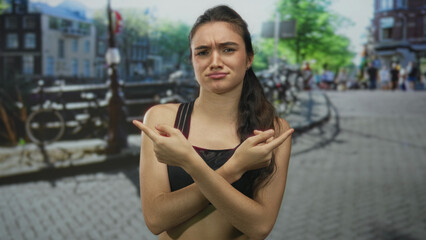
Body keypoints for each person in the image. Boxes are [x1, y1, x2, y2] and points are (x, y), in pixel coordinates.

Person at [132, 5, 294, 239]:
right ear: (193, 60)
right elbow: (156, 219)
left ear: (249, 58)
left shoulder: (273, 130)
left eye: (228, 49)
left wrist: (189, 161)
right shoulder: (163, 120)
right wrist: (234, 167)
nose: (215, 61)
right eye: (203, 52)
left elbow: (259, 227)